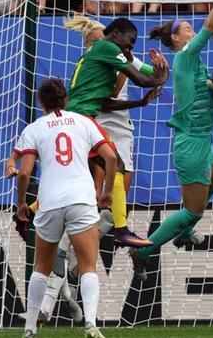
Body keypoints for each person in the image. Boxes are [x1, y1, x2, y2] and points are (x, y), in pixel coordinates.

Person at [129, 0, 213, 282]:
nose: (193, 30)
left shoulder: (192, 64)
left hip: (202, 138)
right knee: (192, 210)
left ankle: (185, 233)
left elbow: (206, 91)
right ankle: (144, 251)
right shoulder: (186, 55)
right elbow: (210, 27)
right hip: (191, 143)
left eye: (191, 27)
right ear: (176, 39)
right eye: (187, 28)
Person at [15, 78, 115, 338]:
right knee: (88, 266)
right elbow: (111, 157)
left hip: (49, 202)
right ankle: (91, 324)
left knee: (41, 267)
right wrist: (105, 192)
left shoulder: (35, 128)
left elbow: (24, 172)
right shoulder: (84, 121)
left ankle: (31, 328)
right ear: (66, 99)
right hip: (81, 199)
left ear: (41, 103)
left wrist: (22, 203)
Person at [66, 17, 169, 248]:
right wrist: (159, 78)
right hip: (83, 119)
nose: (131, 47)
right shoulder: (108, 48)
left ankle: (31, 211)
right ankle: (119, 230)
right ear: (113, 36)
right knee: (109, 170)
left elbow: (148, 75)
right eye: (130, 41)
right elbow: (144, 79)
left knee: (79, 179)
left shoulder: (110, 56)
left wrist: (162, 73)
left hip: (82, 119)